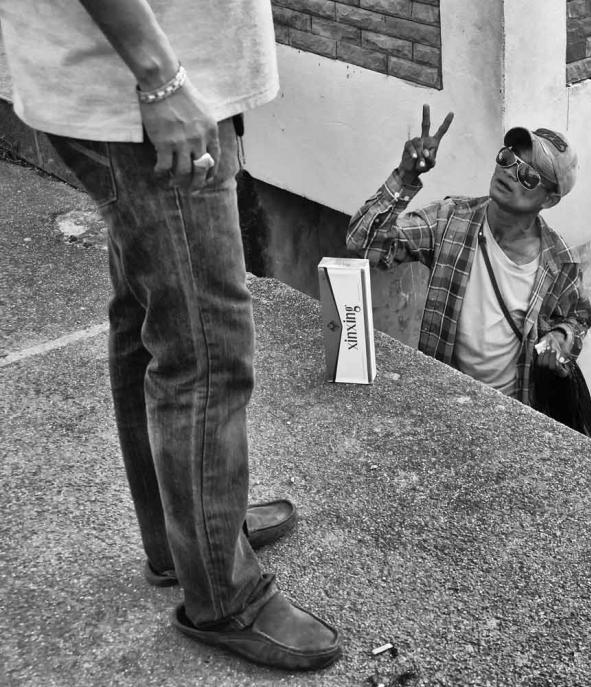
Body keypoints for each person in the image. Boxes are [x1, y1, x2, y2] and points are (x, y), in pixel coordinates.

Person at [0, 0, 341, 670]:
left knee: (147, 316)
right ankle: (222, 592)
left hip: (148, 85)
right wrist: (159, 78)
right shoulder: (153, 89)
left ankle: (184, 539)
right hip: (147, 94)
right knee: (206, 347)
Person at [347, 106, 591, 411]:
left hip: (512, 413)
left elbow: (578, 317)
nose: (508, 172)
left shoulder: (559, 260)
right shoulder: (451, 220)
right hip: (443, 402)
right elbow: (364, 243)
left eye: (527, 175)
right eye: (507, 158)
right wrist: (405, 175)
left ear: (549, 199)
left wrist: (560, 337)